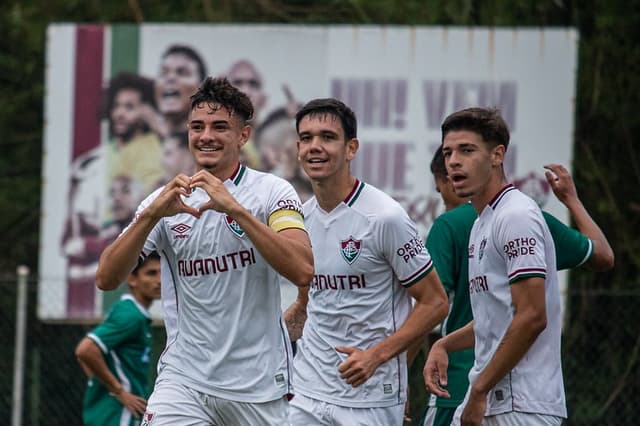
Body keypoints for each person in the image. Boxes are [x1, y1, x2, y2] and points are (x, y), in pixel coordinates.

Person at [95, 76, 314, 425]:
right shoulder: (165, 200)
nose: (206, 136)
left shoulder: (273, 191)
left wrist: (236, 209)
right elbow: (106, 278)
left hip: (259, 387)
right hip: (184, 382)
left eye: (219, 127)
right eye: (197, 126)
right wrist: (150, 216)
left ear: (244, 135)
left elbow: (302, 268)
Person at [420, 149, 614, 426]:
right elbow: (603, 256)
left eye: (464, 151)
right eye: (449, 153)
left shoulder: (514, 218)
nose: (455, 163)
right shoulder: (485, 224)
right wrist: (572, 201)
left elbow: (431, 305)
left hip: (476, 387)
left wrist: (395, 369)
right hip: (479, 385)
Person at [286, 98, 448, 425]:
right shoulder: (301, 218)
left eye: (328, 137)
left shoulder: (385, 218)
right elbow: (309, 296)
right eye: (307, 138)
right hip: (307, 390)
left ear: (351, 148)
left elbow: (435, 303)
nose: (315, 146)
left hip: (370, 396)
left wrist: (376, 355)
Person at [76, 251, 161, 426]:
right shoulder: (130, 315)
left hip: (111, 411)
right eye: (151, 273)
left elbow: (86, 356)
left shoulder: (134, 313)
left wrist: (102, 384)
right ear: (132, 279)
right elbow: (85, 350)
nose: (160, 280)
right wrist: (119, 391)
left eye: (163, 273)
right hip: (118, 413)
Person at [103, 72, 164, 195]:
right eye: (116, 106)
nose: (119, 113)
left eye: (129, 107)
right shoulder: (101, 154)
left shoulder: (157, 146)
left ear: (146, 111)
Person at [153, 44, 208, 139]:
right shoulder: (134, 150)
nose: (170, 78)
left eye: (182, 73)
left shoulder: (220, 143)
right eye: (163, 73)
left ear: (202, 89)